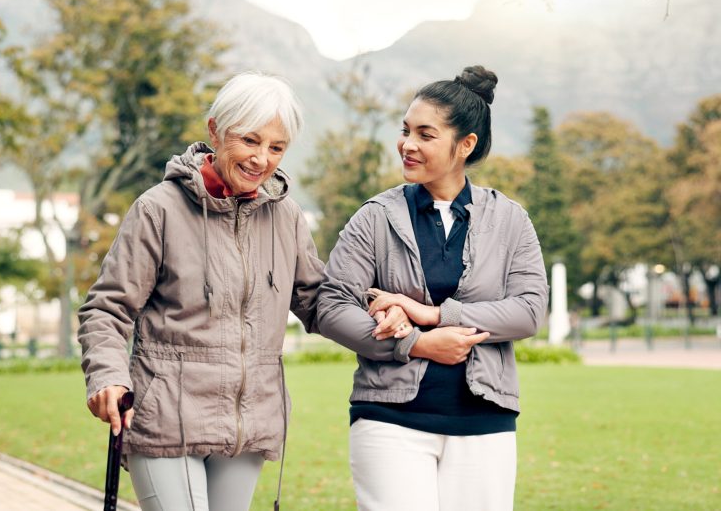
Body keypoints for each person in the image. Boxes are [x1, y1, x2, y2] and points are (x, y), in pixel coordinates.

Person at [77, 72, 326, 511]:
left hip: (250, 423)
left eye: (276, 147)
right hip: (167, 417)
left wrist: (380, 306)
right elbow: (107, 308)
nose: (262, 159)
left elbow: (316, 300)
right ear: (215, 130)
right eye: (249, 140)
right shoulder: (159, 209)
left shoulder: (286, 217)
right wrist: (107, 375)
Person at [317, 65, 549, 511]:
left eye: (425, 134)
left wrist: (437, 314)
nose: (407, 144)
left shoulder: (510, 219)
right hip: (389, 420)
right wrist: (418, 344)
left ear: (465, 145)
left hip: (485, 422)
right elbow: (330, 305)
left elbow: (529, 310)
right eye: (405, 131)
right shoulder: (375, 217)